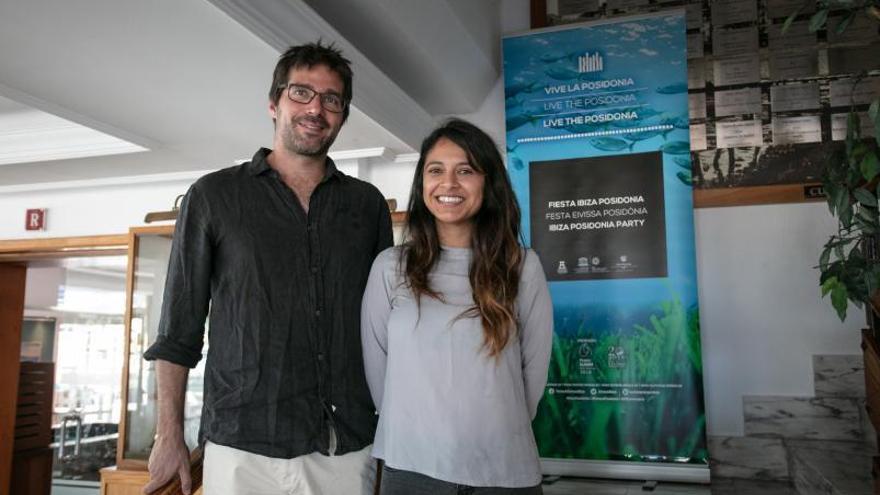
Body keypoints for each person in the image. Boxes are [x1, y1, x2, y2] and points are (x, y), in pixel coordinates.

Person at [142, 41, 393, 495]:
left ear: (342, 116)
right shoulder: (213, 197)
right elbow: (178, 332)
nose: (316, 108)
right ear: (274, 103)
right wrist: (169, 434)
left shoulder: (367, 206)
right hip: (242, 447)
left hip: (344, 446)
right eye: (301, 93)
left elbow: (385, 331)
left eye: (331, 99)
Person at [361, 119, 553, 494]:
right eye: (436, 170)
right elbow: (378, 373)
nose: (448, 183)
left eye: (465, 170)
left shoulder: (522, 267)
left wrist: (493, 429)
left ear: (488, 183)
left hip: (503, 469)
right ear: (422, 184)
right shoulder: (390, 266)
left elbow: (531, 379)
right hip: (412, 468)